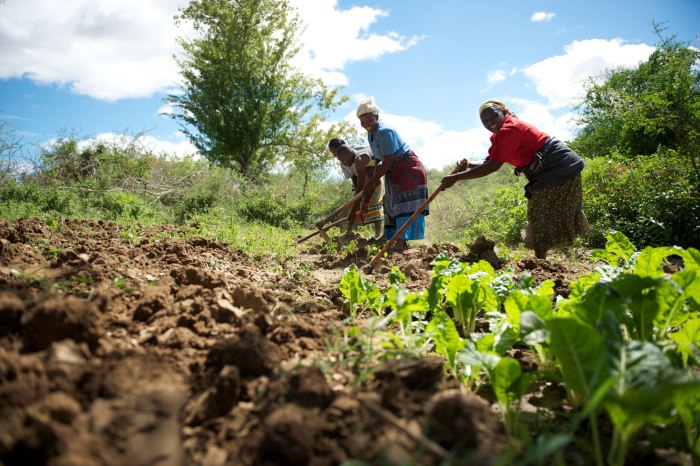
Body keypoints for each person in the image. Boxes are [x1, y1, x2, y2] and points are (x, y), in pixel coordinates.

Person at [441, 99, 589, 260]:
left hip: (559, 165)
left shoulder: (511, 129)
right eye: (485, 121)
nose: (490, 123)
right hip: (548, 170)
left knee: (539, 214)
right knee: (539, 214)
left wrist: (456, 178)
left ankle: (542, 264)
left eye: (493, 117)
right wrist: (469, 165)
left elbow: (493, 166)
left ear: (504, 113)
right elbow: (490, 162)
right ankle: (543, 261)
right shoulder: (500, 135)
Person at [356, 97, 429, 252]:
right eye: (362, 121)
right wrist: (373, 180)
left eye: (369, 119)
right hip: (394, 171)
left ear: (376, 117)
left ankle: (400, 243)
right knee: (391, 205)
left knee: (403, 205)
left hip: (408, 169)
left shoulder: (384, 132)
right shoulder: (371, 134)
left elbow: (388, 159)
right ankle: (397, 241)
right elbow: (378, 159)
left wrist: (374, 180)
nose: (366, 123)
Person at [334, 144, 384, 240]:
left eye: (344, 159)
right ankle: (350, 232)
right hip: (374, 178)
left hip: (387, 172)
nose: (344, 163)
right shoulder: (358, 160)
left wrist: (352, 212)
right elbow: (367, 182)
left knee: (376, 206)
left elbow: (360, 189)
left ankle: (379, 236)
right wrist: (363, 202)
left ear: (349, 153)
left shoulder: (360, 160)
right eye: (341, 161)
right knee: (365, 204)